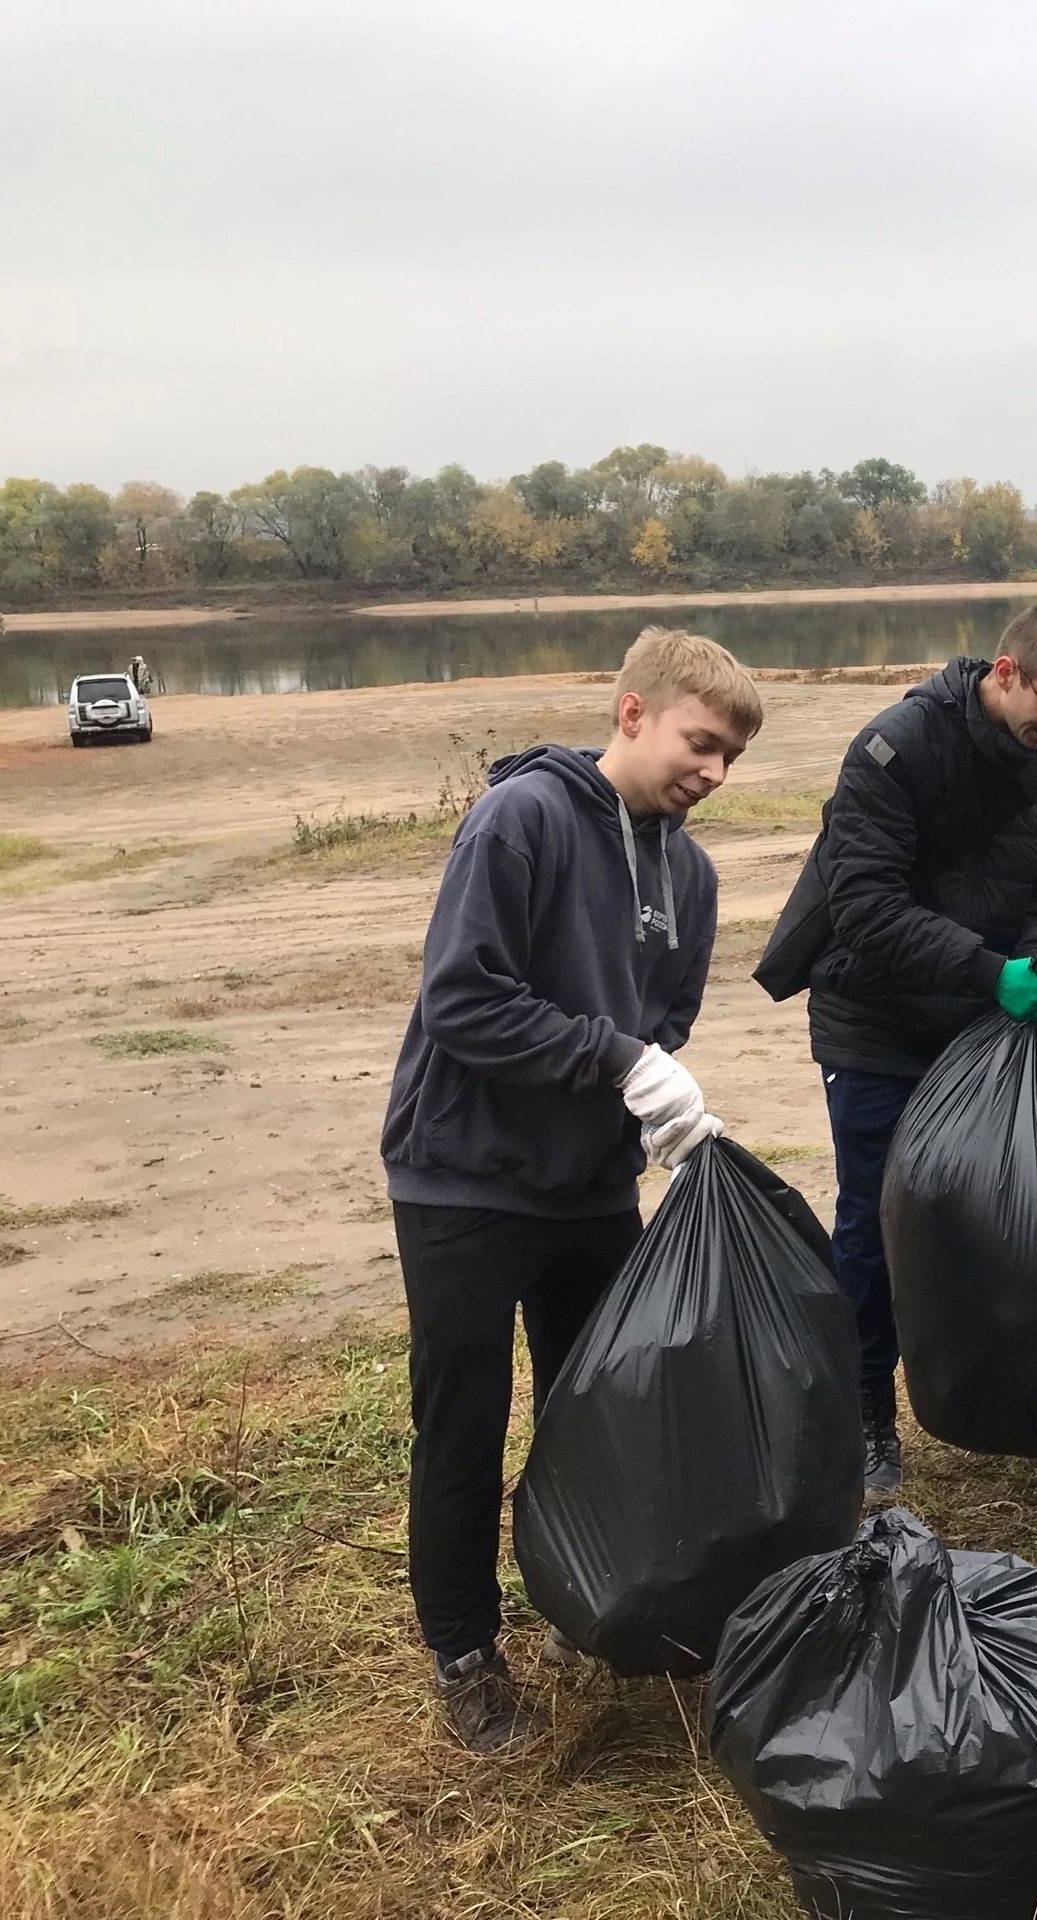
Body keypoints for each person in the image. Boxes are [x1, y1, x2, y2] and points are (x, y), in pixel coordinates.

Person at [379, 625, 761, 1750]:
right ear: (632, 714)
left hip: (588, 1187)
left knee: (590, 1413)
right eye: (701, 742)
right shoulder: (523, 818)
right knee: (463, 1424)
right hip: (461, 1177)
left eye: (732, 757)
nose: (714, 773)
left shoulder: (690, 873)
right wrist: (616, 1060)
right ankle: (461, 1650)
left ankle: (573, 1599)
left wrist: (661, 1097)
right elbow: (462, 998)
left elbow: (663, 1022)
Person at [759, 604, 1037, 1495]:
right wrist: (993, 974)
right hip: (873, 1021)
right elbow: (866, 910)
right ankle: (870, 1413)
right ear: (1005, 671)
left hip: (981, 1013)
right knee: (882, 1217)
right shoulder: (894, 748)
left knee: (1015, 1204)